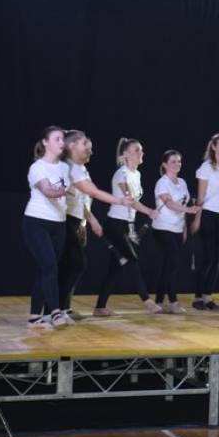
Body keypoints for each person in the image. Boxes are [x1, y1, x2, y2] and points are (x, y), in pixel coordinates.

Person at [59, 130, 136, 318]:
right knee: (75, 264)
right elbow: (92, 192)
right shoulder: (68, 167)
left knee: (71, 266)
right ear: (72, 146)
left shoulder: (81, 169)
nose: (90, 151)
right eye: (86, 146)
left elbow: (82, 201)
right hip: (66, 221)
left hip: (77, 222)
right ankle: (56, 310)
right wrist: (119, 201)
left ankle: (63, 308)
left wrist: (88, 221)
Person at [93, 138, 162, 316]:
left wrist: (147, 212)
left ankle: (100, 307)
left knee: (114, 268)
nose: (141, 153)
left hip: (127, 225)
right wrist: (149, 211)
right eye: (137, 150)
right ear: (126, 154)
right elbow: (130, 200)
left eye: (141, 150)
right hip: (115, 224)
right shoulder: (121, 174)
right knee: (132, 260)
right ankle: (147, 300)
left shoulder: (136, 174)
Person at [22, 126, 71, 328]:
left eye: (63, 139)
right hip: (36, 222)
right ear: (45, 142)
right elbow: (48, 191)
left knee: (46, 270)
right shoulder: (37, 167)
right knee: (50, 267)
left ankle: (35, 317)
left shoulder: (64, 168)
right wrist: (65, 190)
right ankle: (56, 313)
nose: (62, 142)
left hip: (59, 224)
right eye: (57, 139)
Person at [151, 150, 201, 313]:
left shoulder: (182, 182)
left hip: (177, 229)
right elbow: (169, 203)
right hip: (162, 228)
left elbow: (182, 205)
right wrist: (189, 210)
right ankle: (173, 302)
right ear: (165, 165)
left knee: (169, 265)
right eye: (173, 161)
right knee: (173, 263)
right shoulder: (162, 183)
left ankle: (159, 302)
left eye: (179, 161)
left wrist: (184, 228)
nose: (177, 164)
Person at [191, 132, 219, 312]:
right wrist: (197, 218)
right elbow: (201, 197)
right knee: (207, 257)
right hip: (208, 214)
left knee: (217, 258)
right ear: (214, 147)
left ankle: (208, 296)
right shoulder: (206, 168)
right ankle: (198, 296)